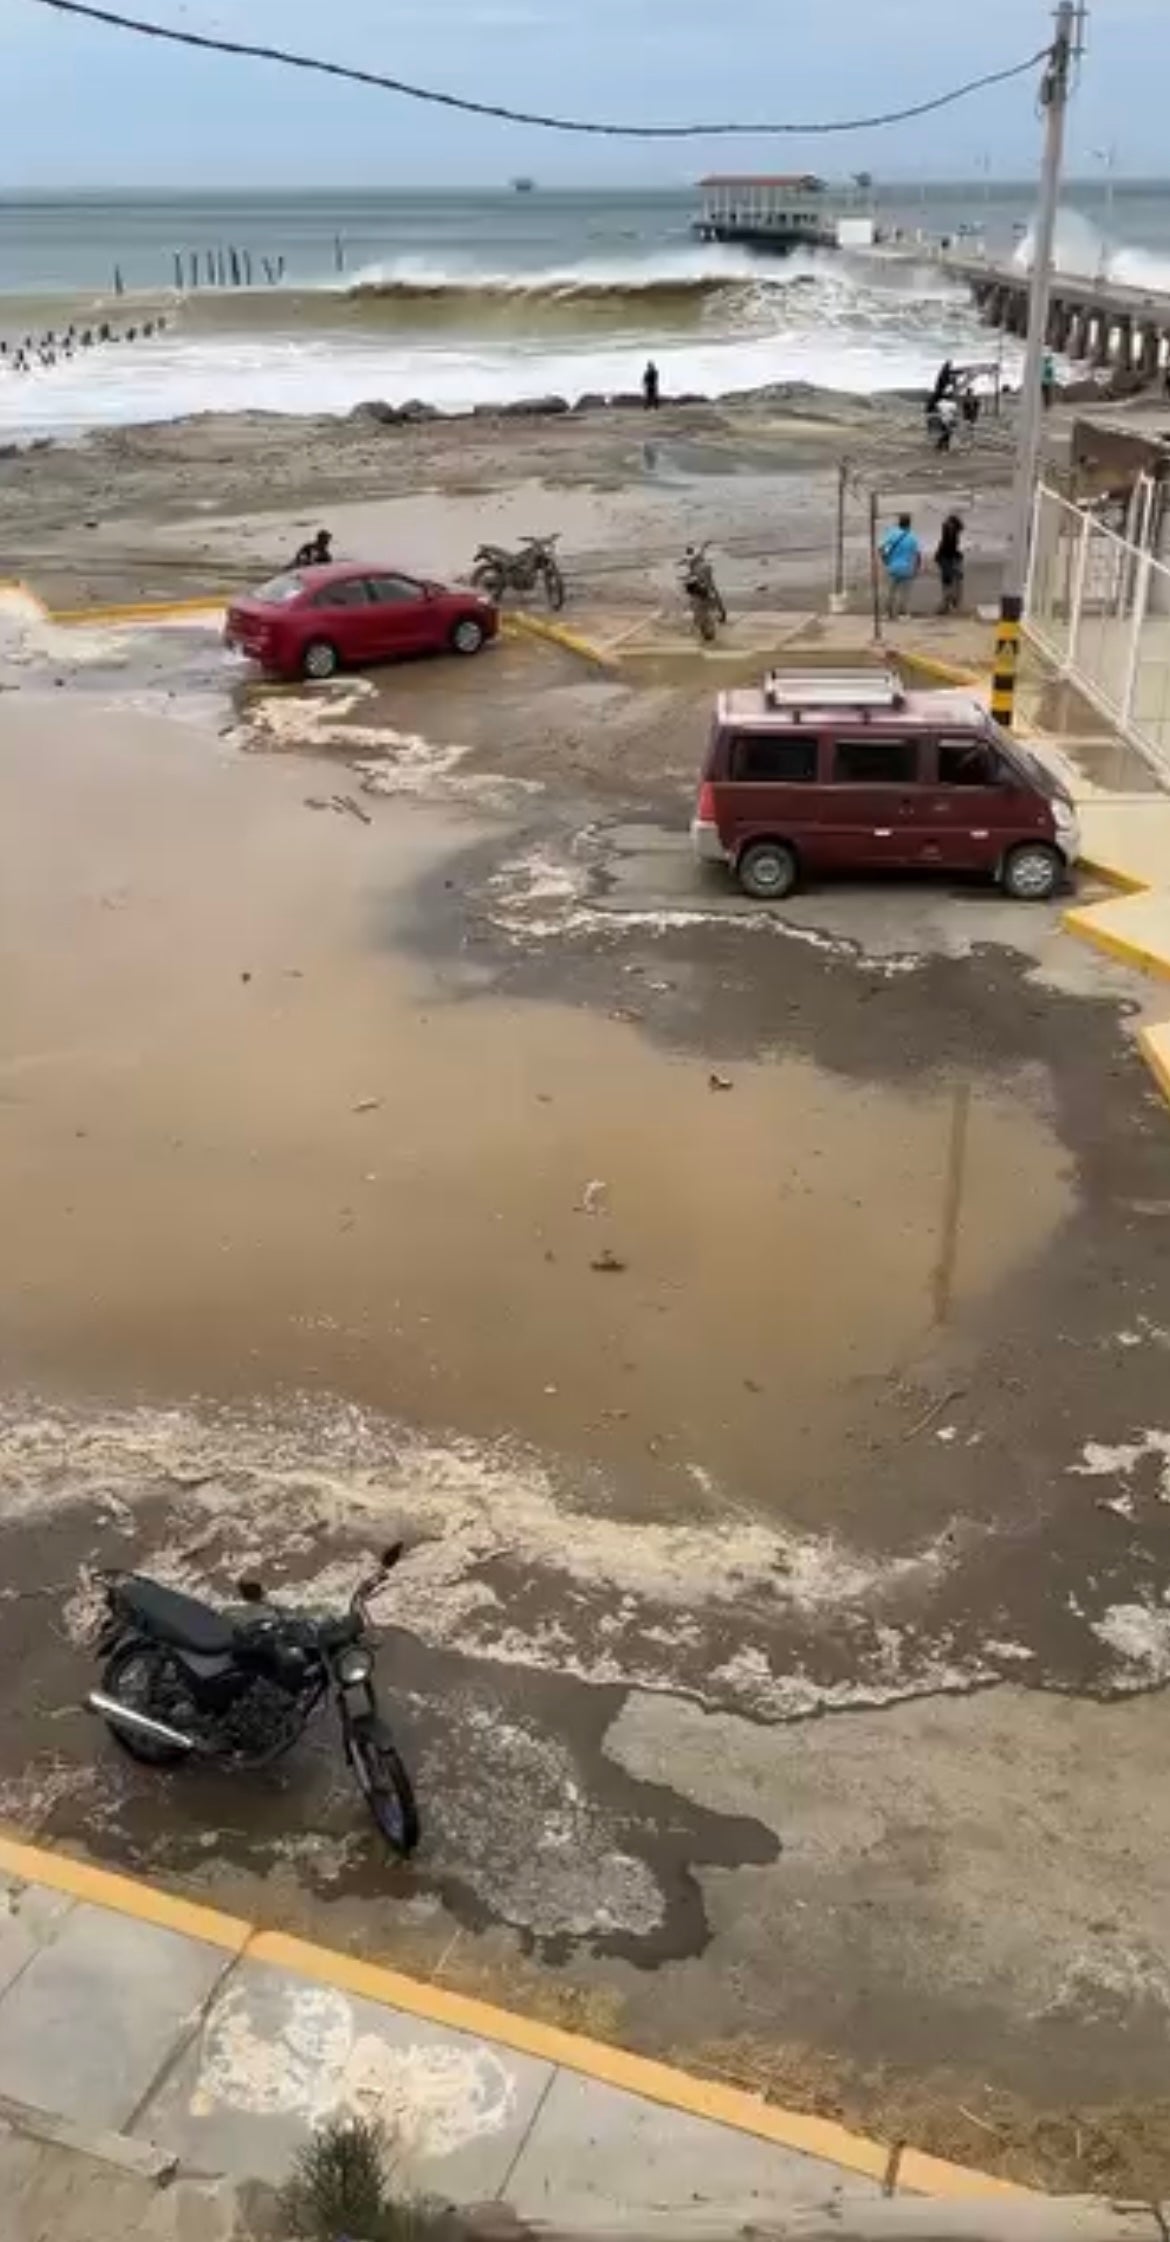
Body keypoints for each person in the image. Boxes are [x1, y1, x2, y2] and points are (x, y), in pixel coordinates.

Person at [879, 512, 921, 620]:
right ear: (909, 524)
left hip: (893, 567)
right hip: (907, 568)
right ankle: (902, 613)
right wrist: (916, 568)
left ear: (899, 523)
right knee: (905, 593)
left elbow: (881, 548)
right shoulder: (912, 537)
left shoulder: (892, 533)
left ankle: (888, 613)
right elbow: (917, 555)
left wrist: (885, 560)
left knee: (891, 591)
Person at [935, 514, 965, 615]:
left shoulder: (947, 531)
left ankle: (946, 606)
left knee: (948, 582)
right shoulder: (951, 533)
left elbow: (948, 548)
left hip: (944, 558)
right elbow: (950, 549)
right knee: (950, 582)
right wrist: (957, 555)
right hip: (946, 559)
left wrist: (957, 554)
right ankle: (946, 606)